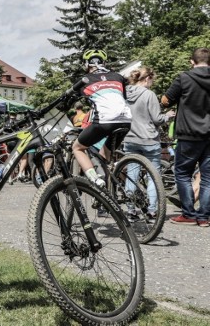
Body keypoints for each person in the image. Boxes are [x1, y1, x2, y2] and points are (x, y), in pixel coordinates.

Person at [161, 47, 210, 227]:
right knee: (208, 177)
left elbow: (165, 100)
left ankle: (189, 214)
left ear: (192, 61)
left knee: (182, 173)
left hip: (188, 134)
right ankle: (204, 217)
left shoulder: (184, 78)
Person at [70, 49, 132, 188]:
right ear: (104, 62)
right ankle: (109, 192)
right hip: (126, 120)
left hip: (104, 121)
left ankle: (95, 180)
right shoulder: (117, 76)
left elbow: (71, 99)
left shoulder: (84, 80)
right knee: (105, 154)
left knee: (77, 148)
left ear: (86, 64)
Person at [124, 67, 175, 221]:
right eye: (152, 80)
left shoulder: (124, 93)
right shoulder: (149, 95)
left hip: (130, 138)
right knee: (154, 176)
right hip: (149, 140)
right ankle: (151, 211)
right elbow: (157, 119)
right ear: (147, 79)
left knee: (132, 173)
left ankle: (131, 211)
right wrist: (167, 116)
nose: (152, 83)